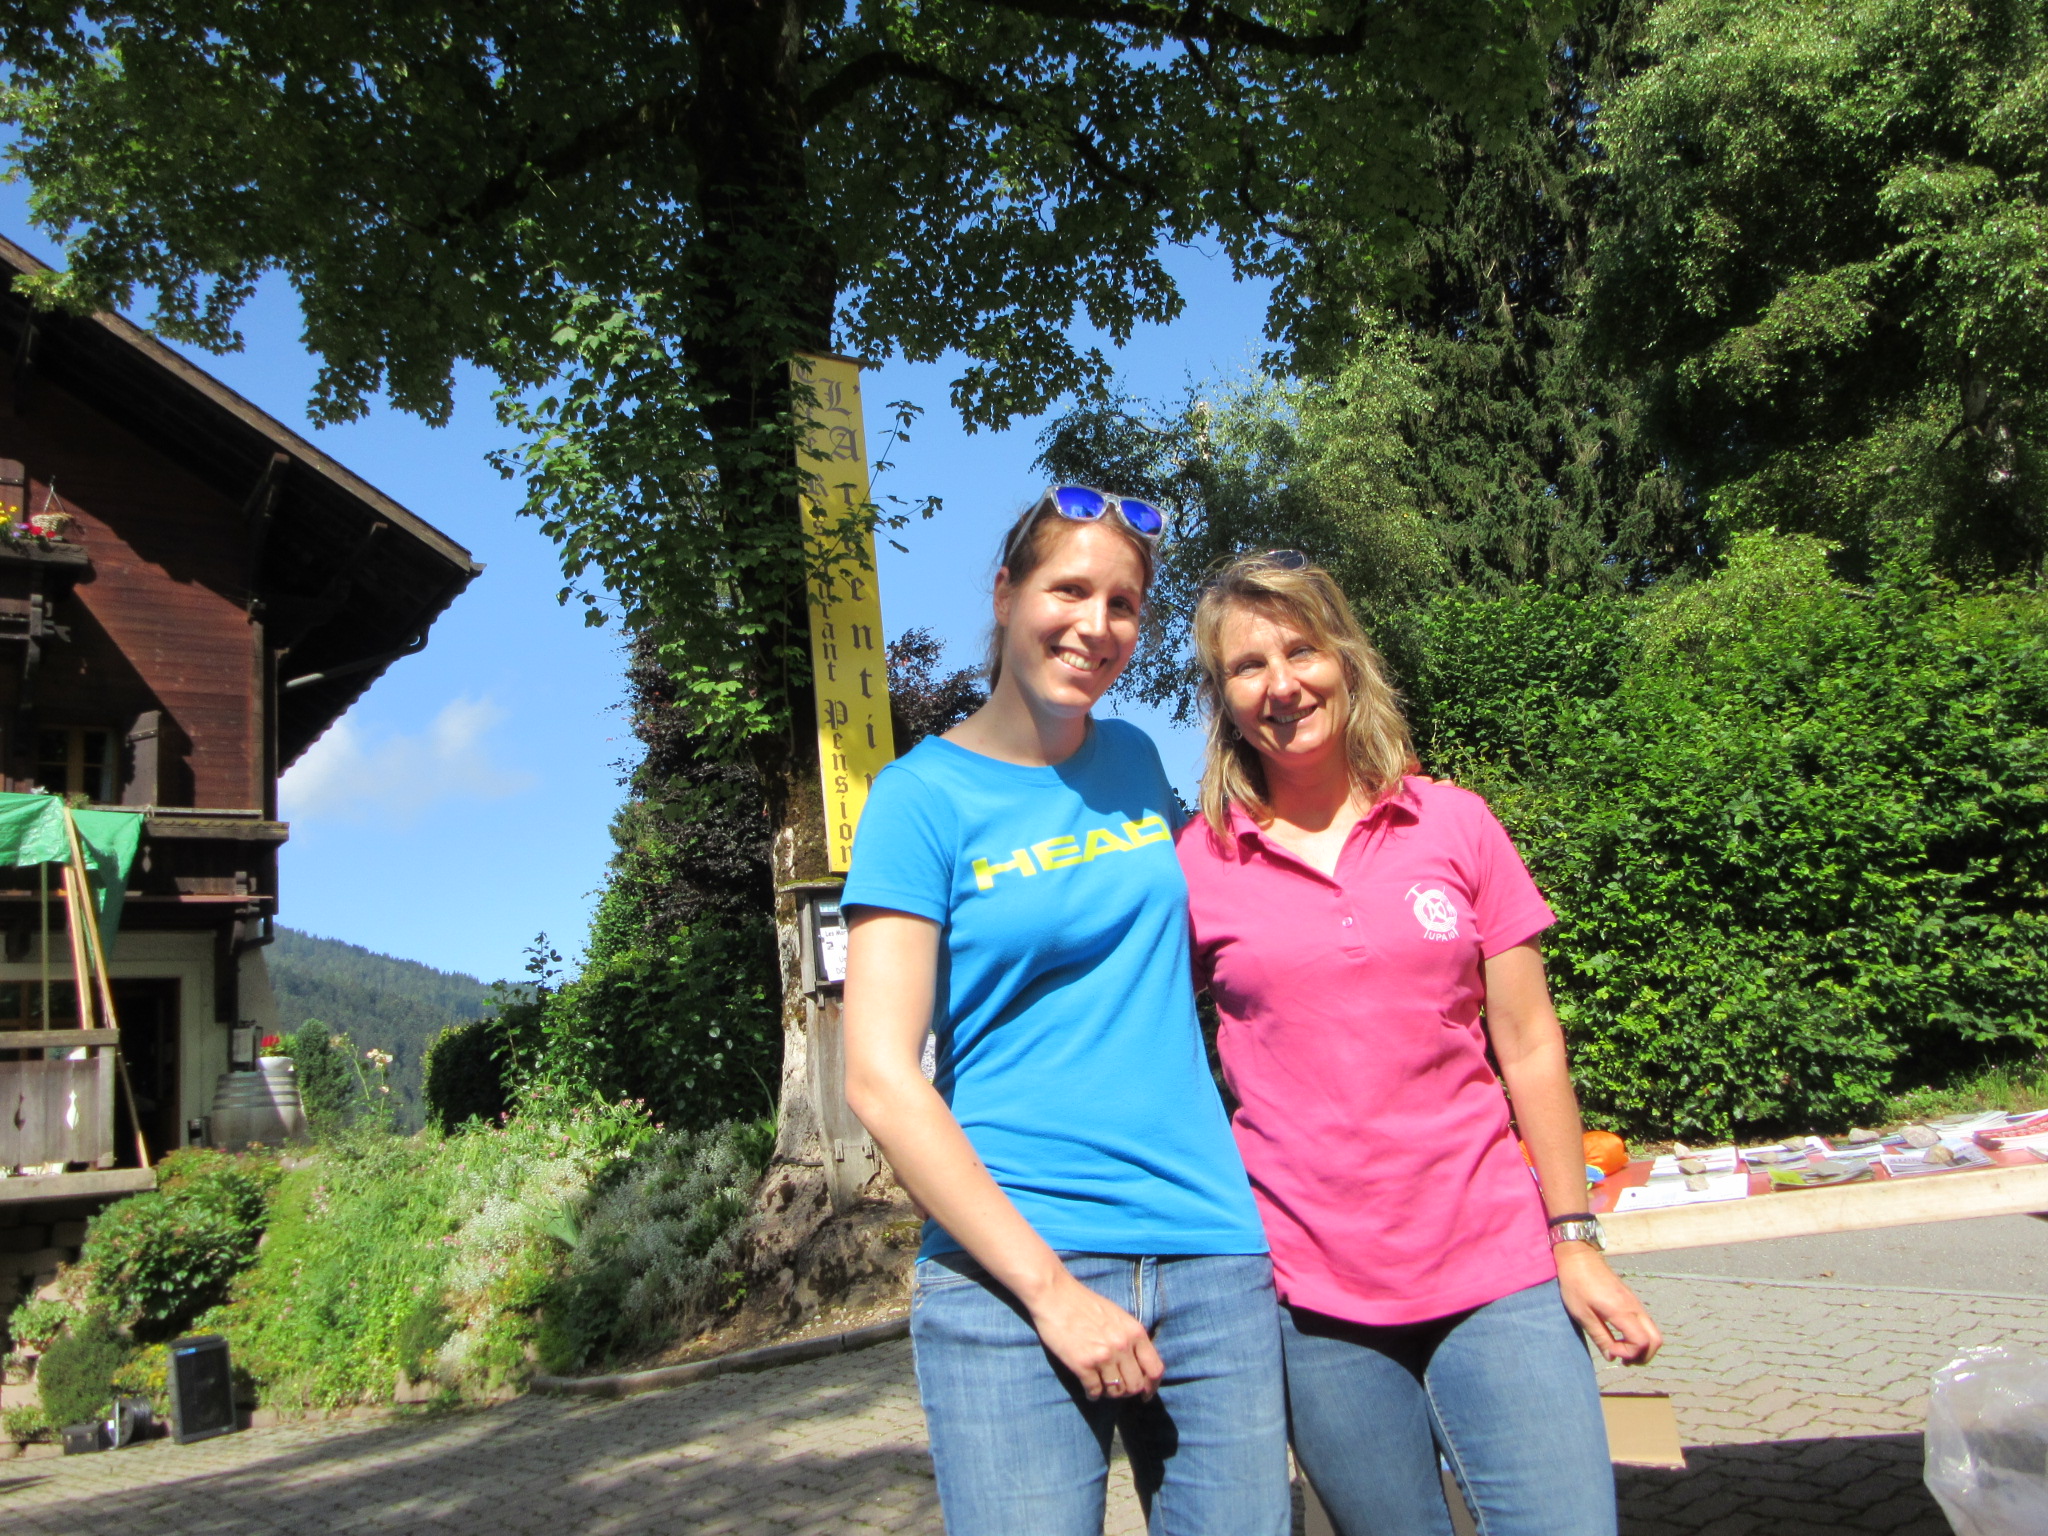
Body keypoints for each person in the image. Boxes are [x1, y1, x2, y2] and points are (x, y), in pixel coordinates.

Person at [1174, 550, 1662, 1536]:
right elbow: (1159, 1061)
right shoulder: (1195, 863)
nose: (1281, 685)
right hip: (1313, 1300)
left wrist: (1574, 1241)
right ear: (1222, 699)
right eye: (1247, 666)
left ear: (1345, 658)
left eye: (1301, 651)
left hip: (1499, 1268)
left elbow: (1529, 1045)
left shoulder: (1455, 824)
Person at [841, 490, 1289, 1536]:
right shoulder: (918, 798)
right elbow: (878, 1077)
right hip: (1008, 1278)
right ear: (1005, 595)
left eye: (1122, 604)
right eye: (1069, 591)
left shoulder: (1135, 761)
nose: (1096, 625)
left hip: (1207, 1250)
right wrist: (1049, 1291)